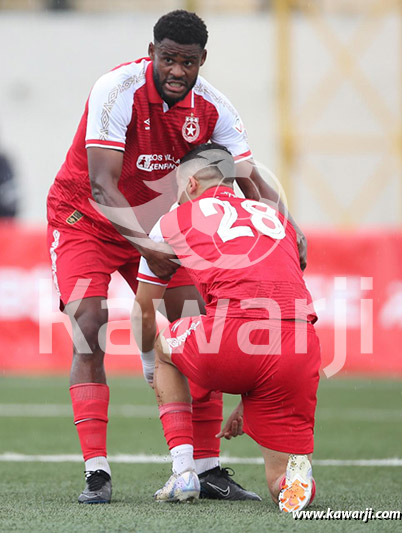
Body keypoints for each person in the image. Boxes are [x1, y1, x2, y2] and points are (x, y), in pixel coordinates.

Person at [46, 10, 306, 504]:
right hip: (85, 218)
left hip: (163, 227)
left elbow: (246, 175)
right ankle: (96, 472)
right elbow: (102, 185)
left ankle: (204, 468)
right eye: (168, 59)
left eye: (188, 62)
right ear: (152, 54)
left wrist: (288, 226)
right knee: (88, 321)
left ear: (202, 61)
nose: (177, 71)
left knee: (195, 325)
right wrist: (148, 248)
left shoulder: (214, 108)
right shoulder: (116, 90)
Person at [133, 143, 320, 512]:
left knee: (164, 346)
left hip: (232, 339)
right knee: (281, 480)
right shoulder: (275, 217)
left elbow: (143, 307)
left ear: (190, 186)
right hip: (299, 344)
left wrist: (150, 361)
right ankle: (296, 483)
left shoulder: (176, 216)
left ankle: (184, 472)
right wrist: (248, 395)